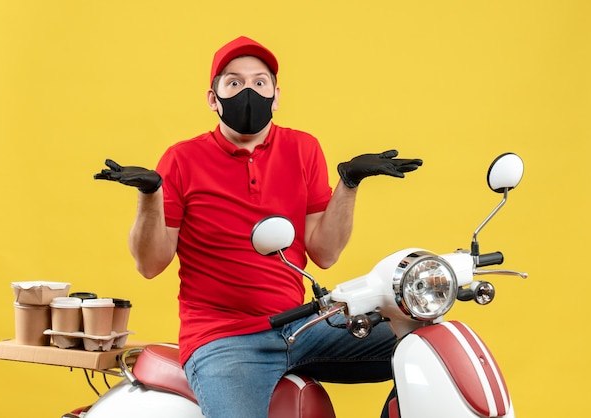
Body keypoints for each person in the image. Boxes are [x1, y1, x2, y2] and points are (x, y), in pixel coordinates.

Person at [95, 36, 423, 418]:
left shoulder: (303, 149)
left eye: (259, 82)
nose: (247, 91)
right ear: (213, 98)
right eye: (233, 83)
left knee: (425, 345)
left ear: (276, 95)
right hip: (225, 340)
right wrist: (150, 195)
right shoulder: (182, 159)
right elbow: (150, 265)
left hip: (301, 327)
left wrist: (348, 184)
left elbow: (325, 253)